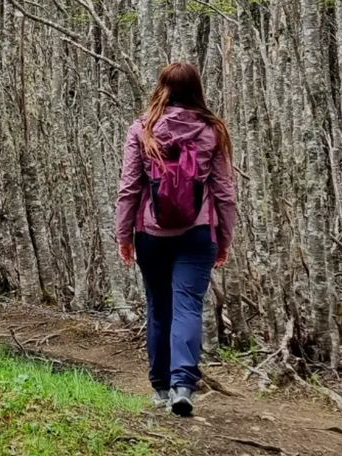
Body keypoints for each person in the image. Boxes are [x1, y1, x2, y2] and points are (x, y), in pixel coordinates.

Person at [115, 61, 236, 417]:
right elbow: (224, 192)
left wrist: (124, 236)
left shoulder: (142, 129)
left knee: (158, 307)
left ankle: (160, 387)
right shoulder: (212, 131)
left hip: (150, 234)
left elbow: (129, 188)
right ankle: (183, 385)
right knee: (187, 306)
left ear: (161, 87)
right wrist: (224, 238)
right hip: (199, 234)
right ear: (197, 89)